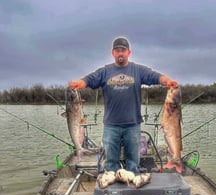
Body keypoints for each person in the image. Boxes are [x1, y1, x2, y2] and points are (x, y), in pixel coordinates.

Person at [68, 37, 178, 174]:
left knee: (133, 162)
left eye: (123, 50)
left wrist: (167, 81)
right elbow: (90, 79)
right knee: (110, 163)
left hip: (133, 124)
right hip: (111, 125)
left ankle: (132, 183)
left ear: (128, 53)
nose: (120, 53)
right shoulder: (105, 71)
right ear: (113, 53)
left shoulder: (138, 70)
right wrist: (80, 83)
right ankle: (111, 186)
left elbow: (154, 76)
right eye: (117, 50)